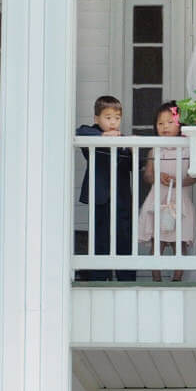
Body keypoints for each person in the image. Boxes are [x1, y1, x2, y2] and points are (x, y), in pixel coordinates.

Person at [79, 95, 139, 275]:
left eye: (117, 118)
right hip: (100, 197)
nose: (113, 122)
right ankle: (99, 276)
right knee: (100, 238)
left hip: (121, 198)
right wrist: (104, 135)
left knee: (123, 237)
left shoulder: (123, 141)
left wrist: (131, 148)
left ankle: (125, 277)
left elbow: (134, 167)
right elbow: (80, 131)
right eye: (108, 117)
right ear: (97, 119)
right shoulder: (91, 133)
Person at [136, 103, 195, 272]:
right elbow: (147, 175)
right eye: (160, 123)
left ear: (180, 124)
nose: (165, 127)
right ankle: (156, 277)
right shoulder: (156, 149)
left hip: (180, 201)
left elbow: (194, 177)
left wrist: (180, 182)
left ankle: (178, 276)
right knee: (157, 241)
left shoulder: (187, 149)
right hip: (158, 200)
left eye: (170, 122)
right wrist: (158, 177)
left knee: (180, 240)